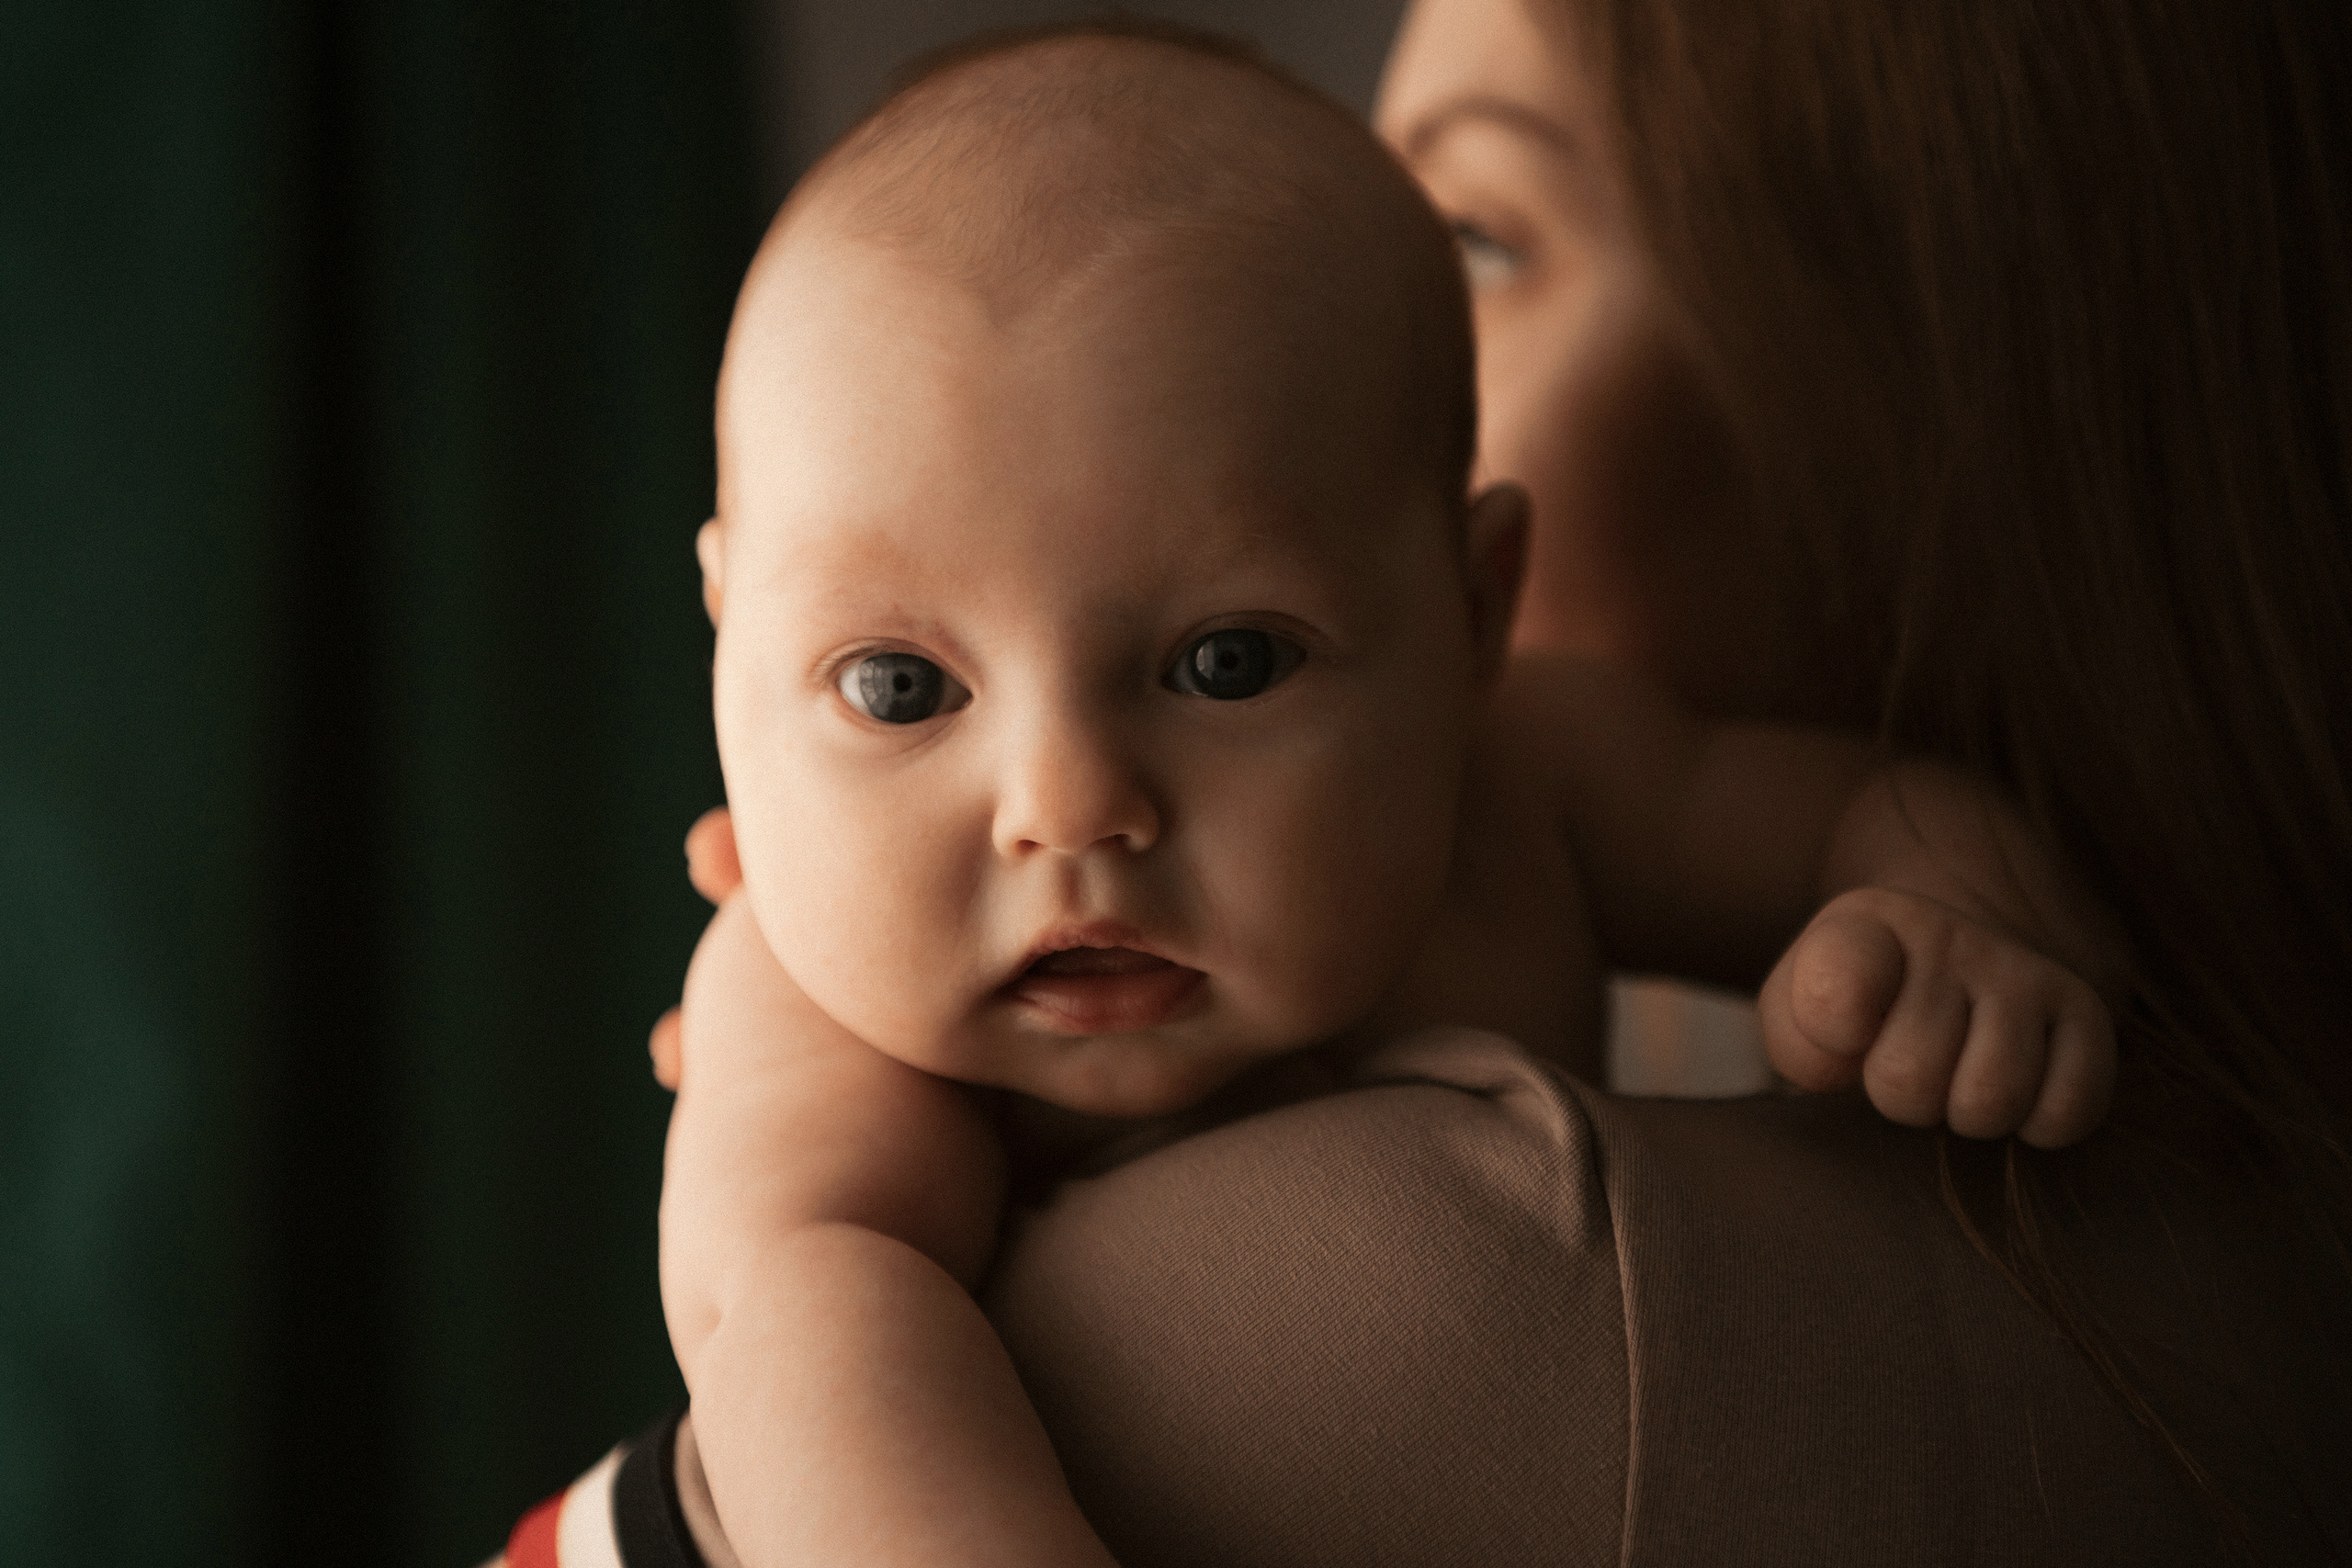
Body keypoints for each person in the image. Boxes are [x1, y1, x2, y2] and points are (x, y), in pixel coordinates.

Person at [503, 0, 2352, 1562]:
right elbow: (806, 1337)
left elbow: (1855, 809)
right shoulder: (817, 1023)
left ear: (1473, 611)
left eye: (1226, 660)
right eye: (897, 685)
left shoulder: (1520, 782)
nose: (1066, 802)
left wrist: (1962, 923)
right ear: (731, 637)